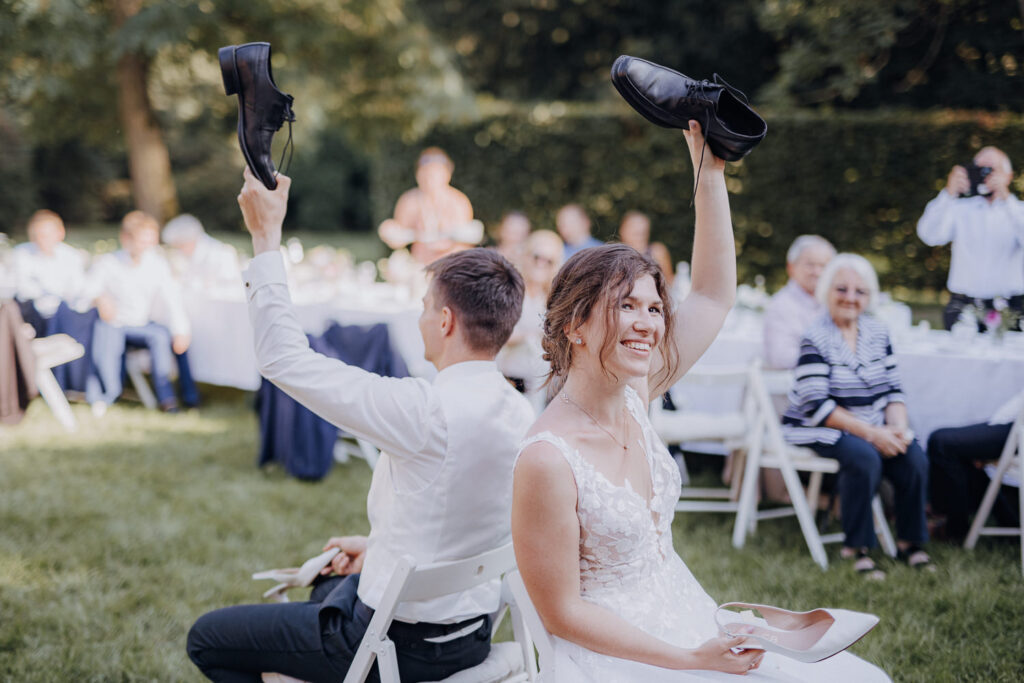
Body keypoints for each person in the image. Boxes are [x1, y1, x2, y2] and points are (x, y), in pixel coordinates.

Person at [511, 122, 888, 681]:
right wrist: (690, 660)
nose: (647, 324)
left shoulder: (636, 393)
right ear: (574, 325)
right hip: (621, 656)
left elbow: (712, 293)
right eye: (626, 307)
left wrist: (710, 175)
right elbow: (561, 612)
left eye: (654, 307)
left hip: (690, 616)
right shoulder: (545, 458)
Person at [187, 167, 535, 683]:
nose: (419, 319)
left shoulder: (422, 409)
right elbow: (465, 518)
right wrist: (378, 550)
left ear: (445, 322)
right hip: (470, 632)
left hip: (396, 644)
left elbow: (283, 358)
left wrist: (265, 236)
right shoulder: (520, 413)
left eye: (423, 309)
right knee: (328, 586)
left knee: (208, 639)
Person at [782, 253, 932, 579]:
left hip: (871, 424)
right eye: (842, 289)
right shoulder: (815, 336)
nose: (851, 298)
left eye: (859, 291)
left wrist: (898, 430)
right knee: (863, 457)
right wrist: (873, 434)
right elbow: (817, 405)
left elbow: (893, 391)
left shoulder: (878, 333)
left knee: (914, 456)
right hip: (819, 425)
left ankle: (911, 542)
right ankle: (857, 547)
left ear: (869, 297)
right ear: (827, 291)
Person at [82, 211, 198, 413]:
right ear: (126, 238)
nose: (147, 247)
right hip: (115, 325)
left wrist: (181, 329)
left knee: (162, 335)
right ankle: (106, 394)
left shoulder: (157, 264)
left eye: (150, 241)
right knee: (106, 331)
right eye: (142, 241)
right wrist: (99, 298)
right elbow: (84, 293)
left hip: (142, 325)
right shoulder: (108, 263)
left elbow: (172, 299)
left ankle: (168, 399)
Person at [916, 146, 1024, 330]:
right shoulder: (959, 208)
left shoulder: (1018, 211)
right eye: (980, 169)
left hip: (1010, 304)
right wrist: (948, 194)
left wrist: (1006, 199)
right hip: (963, 303)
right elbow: (929, 235)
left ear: (1008, 175)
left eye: (992, 170)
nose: (986, 175)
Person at [928, 389, 1023, 541]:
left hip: (1018, 428)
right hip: (1015, 421)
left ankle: (954, 528)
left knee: (941, 443)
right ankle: (1007, 520)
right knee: (949, 445)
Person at [377, 147, 483, 265]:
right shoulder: (409, 201)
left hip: (451, 264)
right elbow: (398, 237)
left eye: (435, 173)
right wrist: (391, 231)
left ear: (447, 174)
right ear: (418, 175)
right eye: (425, 173)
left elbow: (467, 239)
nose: (429, 179)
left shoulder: (458, 202)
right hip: (420, 264)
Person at [498, 229, 563, 408]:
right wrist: (530, 334)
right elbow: (494, 334)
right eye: (537, 257)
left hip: (537, 394)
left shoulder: (553, 303)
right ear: (525, 256)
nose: (541, 264)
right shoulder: (509, 292)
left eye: (548, 261)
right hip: (506, 384)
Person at [762, 235, 836, 370]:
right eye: (810, 265)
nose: (817, 272)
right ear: (791, 268)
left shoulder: (834, 303)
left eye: (823, 266)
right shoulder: (781, 305)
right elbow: (781, 358)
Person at [12, 210, 86, 336]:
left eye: (46, 235)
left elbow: (76, 288)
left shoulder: (71, 256)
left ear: (60, 233)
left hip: (62, 311)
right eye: (36, 235)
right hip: (30, 312)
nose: (41, 240)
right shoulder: (21, 253)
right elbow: (22, 288)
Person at [161, 213, 240, 287]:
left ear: (189, 240)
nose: (179, 250)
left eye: (179, 245)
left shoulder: (221, 253)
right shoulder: (190, 256)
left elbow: (228, 286)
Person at [618, 210, 674, 286]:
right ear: (622, 231)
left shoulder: (657, 252)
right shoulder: (615, 255)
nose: (639, 237)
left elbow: (669, 281)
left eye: (643, 233)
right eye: (635, 233)